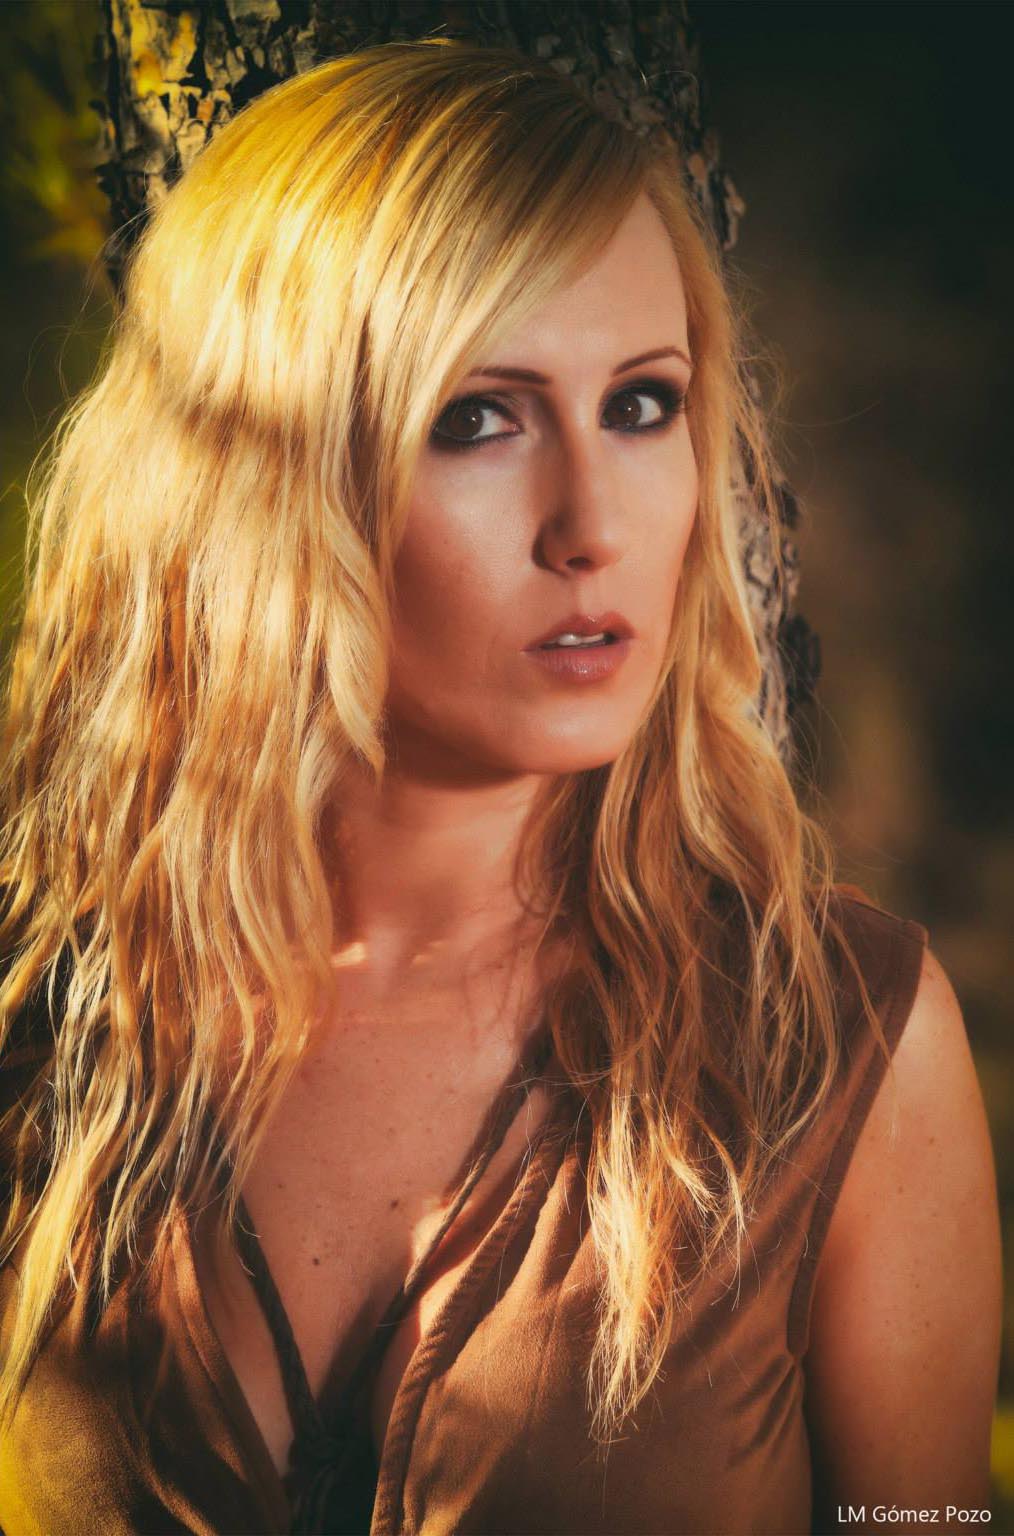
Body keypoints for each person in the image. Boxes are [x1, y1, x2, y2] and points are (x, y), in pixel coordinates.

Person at [0, 36, 1001, 1536]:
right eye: (477, 418)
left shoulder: (834, 1035)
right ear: (267, 481)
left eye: (641, 405)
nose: (591, 524)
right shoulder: (53, 1017)